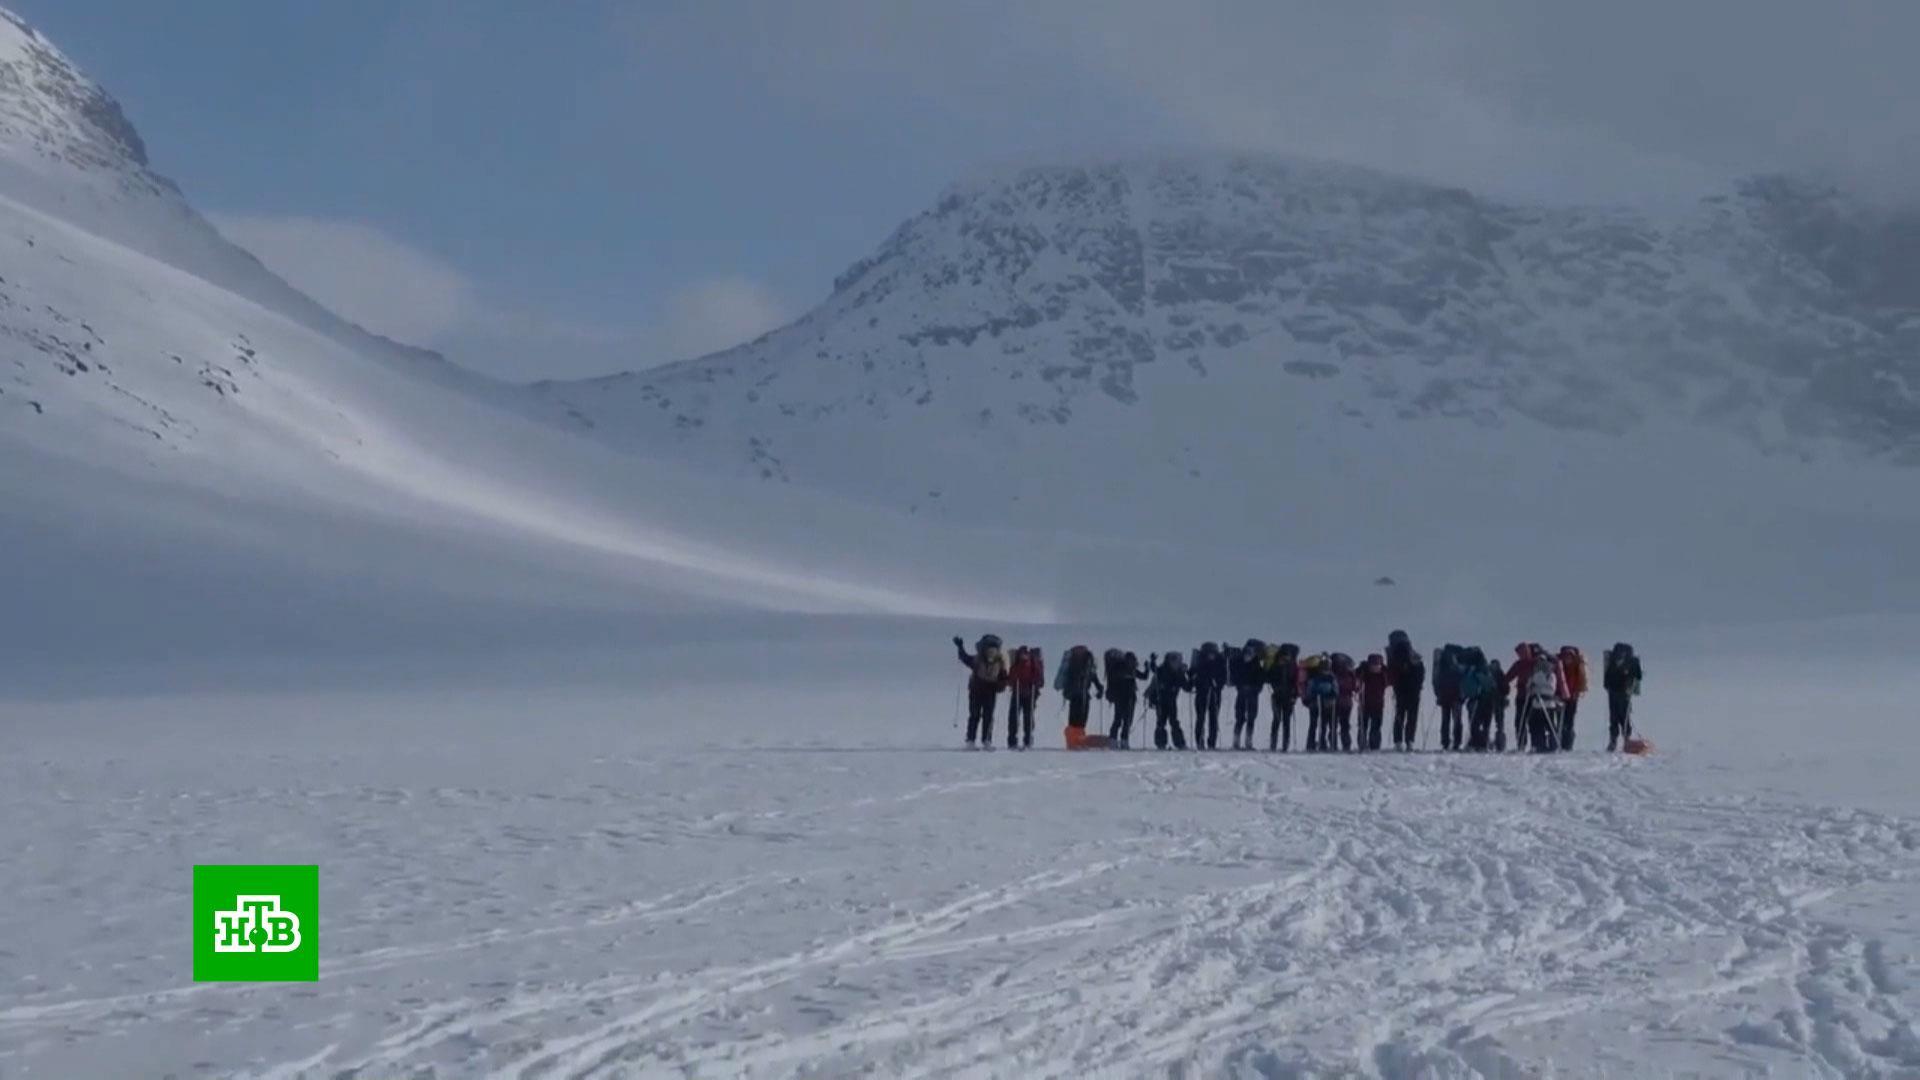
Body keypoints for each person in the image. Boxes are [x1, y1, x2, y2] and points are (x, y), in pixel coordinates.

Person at [953, 634, 1009, 748]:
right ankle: (976, 740)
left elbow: (1004, 679)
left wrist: (960, 648)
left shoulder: (993, 662)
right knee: (978, 715)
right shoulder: (982, 660)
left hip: (983, 692)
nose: (991, 653)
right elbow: (965, 658)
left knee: (981, 716)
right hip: (979, 692)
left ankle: (980, 740)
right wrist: (960, 647)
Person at [1520, 644, 1567, 752]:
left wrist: (1537, 690)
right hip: (1537, 705)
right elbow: (1528, 686)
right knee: (1536, 726)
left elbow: (1551, 689)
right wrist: (1531, 689)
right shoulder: (1535, 675)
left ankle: (1552, 745)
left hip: (1547, 705)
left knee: (1549, 726)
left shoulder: (1550, 675)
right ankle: (1539, 745)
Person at [1053, 645, 1103, 746]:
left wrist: (1099, 688)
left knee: (1077, 719)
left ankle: (1076, 740)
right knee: (1078, 719)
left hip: (1077, 695)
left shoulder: (1083, 666)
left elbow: (1093, 678)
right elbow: (1094, 678)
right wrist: (1099, 689)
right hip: (1078, 695)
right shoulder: (1086, 666)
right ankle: (1076, 741)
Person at [1147, 650, 1192, 750]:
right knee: (1161, 722)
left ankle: (1179, 743)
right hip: (1161, 700)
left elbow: (1187, 687)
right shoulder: (1163, 670)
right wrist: (1152, 661)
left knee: (1173, 722)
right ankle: (1161, 744)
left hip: (1171, 701)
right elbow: (1155, 670)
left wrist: (1191, 676)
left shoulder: (1179, 673)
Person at [1602, 643, 1644, 751]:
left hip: (1621, 692)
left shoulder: (1627, 663)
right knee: (1617, 717)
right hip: (1617, 692)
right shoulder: (1626, 662)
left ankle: (1621, 740)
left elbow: (1638, 676)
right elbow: (1639, 676)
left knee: (1621, 716)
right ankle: (1618, 739)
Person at [1104, 648, 1148, 748]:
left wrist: (1148, 668)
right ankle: (1118, 740)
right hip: (1123, 697)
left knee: (1125, 720)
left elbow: (1144, 676)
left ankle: (1119, 740)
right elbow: (1142, 676)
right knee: (1120, 719)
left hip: (1127, 698)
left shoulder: (1128, 670)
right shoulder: (1122, 669)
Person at [1229, 639, 1268, 750]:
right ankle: (1241, 742)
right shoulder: (1254, 664)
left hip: (1249, 693)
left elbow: (1259, 680)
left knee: (1248, 718)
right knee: (1242, 718)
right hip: (1247, 693)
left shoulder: (1242, 663)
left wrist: (1253, 688)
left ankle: (1244, 742)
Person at [1389, 636, 1425, 751]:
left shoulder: (1395, 658)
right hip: (1414, 692)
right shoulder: (1415, 657)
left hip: (1400, 692)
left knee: (1399, 716)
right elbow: (1421, 675)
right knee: (1412, 718)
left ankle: (1398, 742)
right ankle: (1409, 741)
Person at [1006, 645, 1045, 750]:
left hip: (1026, 692)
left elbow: (1011, 677)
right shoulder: (1029, 662)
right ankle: (1022, 740)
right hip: (1024, 692)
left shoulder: (1029, 663)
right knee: (1022, 717)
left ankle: (1020, 740)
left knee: (1022, 717)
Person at [1190, 642, 1228, 750]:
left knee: (1214, 719)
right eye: (1209, 653)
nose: (1211, 655)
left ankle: (1212, 743)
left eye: (1213, 653)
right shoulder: (1200, 662)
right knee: (1201, 718)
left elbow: (1224, 677)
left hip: (1215, 694)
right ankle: (1200, 742)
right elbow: (1193, 676)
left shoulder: (1220, 662)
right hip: (1202, 694)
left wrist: (1218, 684)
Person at [1268, 642, 1301, 751]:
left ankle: (1283, 745)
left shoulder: (1290, 666)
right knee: (1278, 720)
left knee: (1284, 721)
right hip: (1279, 697)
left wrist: (1295, 695)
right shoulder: (1286, 666)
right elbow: (1271, 679)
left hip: (1285, 697)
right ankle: (1276, 745)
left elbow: (1296, 682)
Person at [1302, 654, 1338, 751]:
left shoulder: (1332, 678)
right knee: (1313, 724)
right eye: (1323, 668)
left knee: (1325, 725)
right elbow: (1310, 689)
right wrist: (1309, 699)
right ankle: (1311, 744)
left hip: (1327, 704)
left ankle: (1325, 743)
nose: (1325, 671)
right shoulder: (1315, 677)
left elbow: (1335, 689)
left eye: (1326, 668)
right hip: (1315, 703)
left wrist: (1333, 696)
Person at [1432, 644, 1465, 752]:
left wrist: (1438, 694)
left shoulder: (1441, 665)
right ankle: (1457, 742)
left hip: (1444, 696)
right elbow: (1463, 680)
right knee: (1457, 720)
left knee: (1445, 720)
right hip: (1457, 696)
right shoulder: (1459, 665)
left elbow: (1436, 680)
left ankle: (1445, 742)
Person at [1461, 647, 1495, 751]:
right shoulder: (1483, 668)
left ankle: (1478, 743)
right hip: (1485, 699)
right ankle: (1482, 743)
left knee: (1474, 724)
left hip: (1477, 699)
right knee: (1483, 724)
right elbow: (1489, 684)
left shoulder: (1471, 669)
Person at [1558, 646, 1588, 751]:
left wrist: (1577, 692)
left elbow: (1580, 681)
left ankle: (1567, 744)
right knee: (1561, 721)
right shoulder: (1560, 666)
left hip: (1572, 697)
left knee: (1569, 721)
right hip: (1561, 697)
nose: (1567, 659)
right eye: (1566, 657)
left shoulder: (1577, 667)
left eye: (1569, 657)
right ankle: (1561, 743)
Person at [1358, 653, 1390, 751]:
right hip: (1364, 704)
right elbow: (1356, 675)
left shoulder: (1383, 674)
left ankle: (1374, 746)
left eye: (1378, 665)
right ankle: (1362, 744)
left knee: (1376, 727)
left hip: (1378, 704)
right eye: (1373, 665)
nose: (1375, 668)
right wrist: (1361, 669)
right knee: (1363, 726)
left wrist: (1385, 670)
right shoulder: (1364, 673)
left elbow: (1389, 681)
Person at [1505, 643, 1534, 751]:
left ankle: (1534, 744)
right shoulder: (1518, 664)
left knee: (1532, 722)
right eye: (1519, 653)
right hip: (1521, 696)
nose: (1521, 655)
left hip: (1533, 697)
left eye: (1522, 652)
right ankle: (1521, 744)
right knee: (1519, 721)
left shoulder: (1535, 663)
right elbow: (1508, 677)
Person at [1330, 652, 1359, 752]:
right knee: (1345, 724)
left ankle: (1334, 744)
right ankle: (1346, 745)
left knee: (1334, 724)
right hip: (1346, 702)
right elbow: (1355, 687)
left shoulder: (1333, 673)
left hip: (1335, 702)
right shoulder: (1350, 674)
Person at [1488, 658, 1510, 751]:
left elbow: (1506, 689)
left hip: (1496, 702)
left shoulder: (1499, 675)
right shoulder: (1492, 675)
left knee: (1498, 724)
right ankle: (1495, 743)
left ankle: (1499, 744)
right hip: (1492, 702)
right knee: (1492, 723)